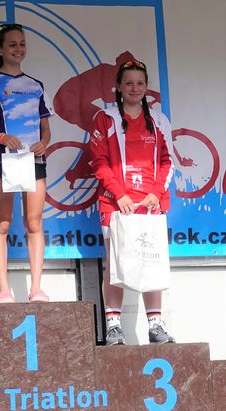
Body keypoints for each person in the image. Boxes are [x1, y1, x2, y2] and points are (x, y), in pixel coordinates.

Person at [87, 59, 175, 345]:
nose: (134, 88)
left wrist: (155, 194)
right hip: (115, 204)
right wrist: (119, 194)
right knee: (114, 263)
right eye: (128, 83)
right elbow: (98, 161)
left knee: (152, 262)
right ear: (118, 87)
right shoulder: (106, 118)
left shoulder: (159, 120)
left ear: (146, 87)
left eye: (139, 83)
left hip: (150, 204)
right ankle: (114, 325)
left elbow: (168, 161)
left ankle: (155, 325)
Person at [0, 24, 54, 303]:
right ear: (0, 49)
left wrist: (44, 142)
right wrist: (1, 137)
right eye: (12, 44)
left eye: (22, 44)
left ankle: (36, 288)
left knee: (34, 222)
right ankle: (4, 290)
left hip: (33, 159)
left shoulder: (36, 85)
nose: (18, 49)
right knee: (2, 223)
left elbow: (46, 129)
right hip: (4, 158)